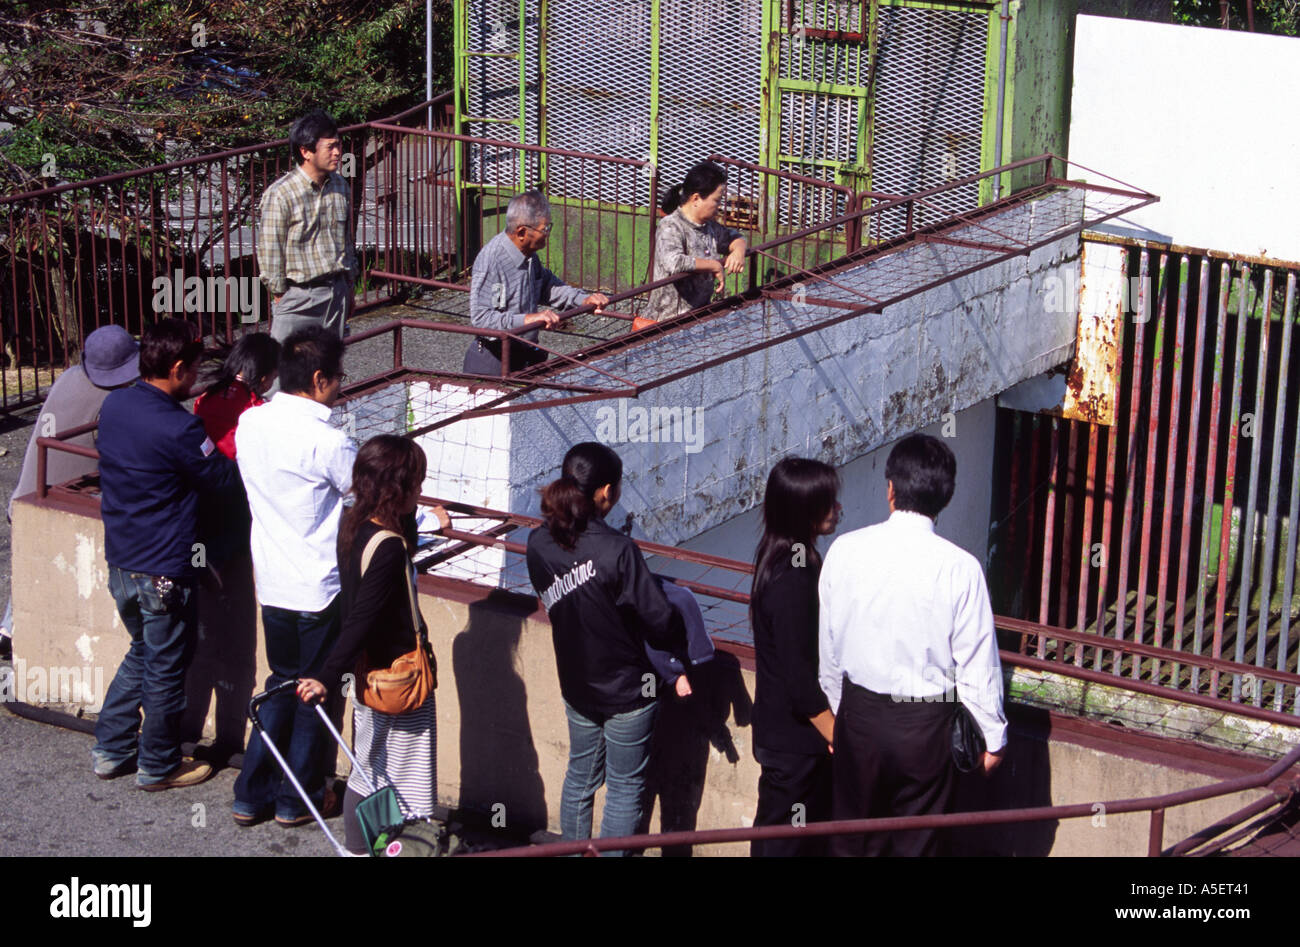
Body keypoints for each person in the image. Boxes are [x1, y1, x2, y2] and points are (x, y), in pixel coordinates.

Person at [818, 433, 1007, 857]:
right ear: (946, 497)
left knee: (851, 842)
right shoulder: (962, 568)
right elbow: (977, 663)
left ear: (890, 489)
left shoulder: (844, 551)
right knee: (918, 844)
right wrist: (993, 737)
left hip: (859, 716)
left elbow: (828, 652)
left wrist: (839, 716)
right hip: (925, 726)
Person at [91, 318, 241, 790]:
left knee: (142, 652)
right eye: (194, 370)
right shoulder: (179, 427)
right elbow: (222, 481)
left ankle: (111, 749)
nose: (196, 379)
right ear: (177, 369)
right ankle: (158, 764)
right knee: (166, 667)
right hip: (164, 571)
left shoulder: (114, 405)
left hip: (122, 561)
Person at [525, 442, 687, 853]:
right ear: (605, 493)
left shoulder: (538, 543)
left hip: (577, 684)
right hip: (627, 690)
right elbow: (661, 620)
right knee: (625, 787)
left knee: (580, 776)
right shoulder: (618, 550)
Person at [297, 436, 450, 854]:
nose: (420, 491)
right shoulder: (389, 549)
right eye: (415, 484)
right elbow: (363, 619)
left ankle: (358, 849)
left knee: (367, 770)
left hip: (368, 676)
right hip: (400, 679)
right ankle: (393, 849)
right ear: (395, 490)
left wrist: (333, 674)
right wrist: (326, 676)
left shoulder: (355, 526)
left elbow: (354, 612)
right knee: (406, 787)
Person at [232, 326, 356, 827]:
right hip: (319, 589)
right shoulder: (328, 441)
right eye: (339, 377)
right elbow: (364, 500)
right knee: (314, 693)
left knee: (281, 685)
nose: (342, 385)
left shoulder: (250, 424)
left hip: (274, 583)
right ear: (321, 379)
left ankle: (251, 792)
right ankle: (296, 800)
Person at [4, 325, 140, 654]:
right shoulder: (114, 401)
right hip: (63, 503)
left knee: (30, 571)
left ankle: (9, 630)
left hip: (26, 495)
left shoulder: (68, 378)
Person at [749, 457, 840, 857]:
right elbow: (800, 679)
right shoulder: (793, 577)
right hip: (794, 741)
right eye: (828, 502)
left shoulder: (785, 556)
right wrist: (837, 735)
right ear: (804, 510)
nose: (838, 510)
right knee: (783, 840)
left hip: (786, 734)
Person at [463, 190, 609, 376]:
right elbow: (482, 319)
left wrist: (583, 300)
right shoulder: (492, 261)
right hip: (493, 362)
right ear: (522, 232)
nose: (548, 234)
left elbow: (548, 287)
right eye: (544, 229)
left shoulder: (529, 256)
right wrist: (527, 320)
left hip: (523, 354)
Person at [257, 110, 358, 345]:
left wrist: (349, 284)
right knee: (283, 374)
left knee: (328, 371)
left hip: (336, 292)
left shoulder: (340, 185)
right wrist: (280, 294)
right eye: (330, 147)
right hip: (299, 295)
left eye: (338, 145)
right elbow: (270, 250)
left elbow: (346, 241)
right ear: (306, 151)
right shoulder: (281, 194)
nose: (337, 153)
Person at [643, 161, 747, 322]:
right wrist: (713, 265)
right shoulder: (670, 226)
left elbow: (735, 237)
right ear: (696, 198)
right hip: (666, 321)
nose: (719, 206)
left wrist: (738, 252)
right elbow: (673, 262)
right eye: (717, 200)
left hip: (696, 318)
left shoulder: (709, 227)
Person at [193, 332, 280, 460]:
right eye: (274, 377)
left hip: (202, 464)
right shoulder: (256, 408)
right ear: (264, 378)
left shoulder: (207, 396)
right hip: (233, 471)